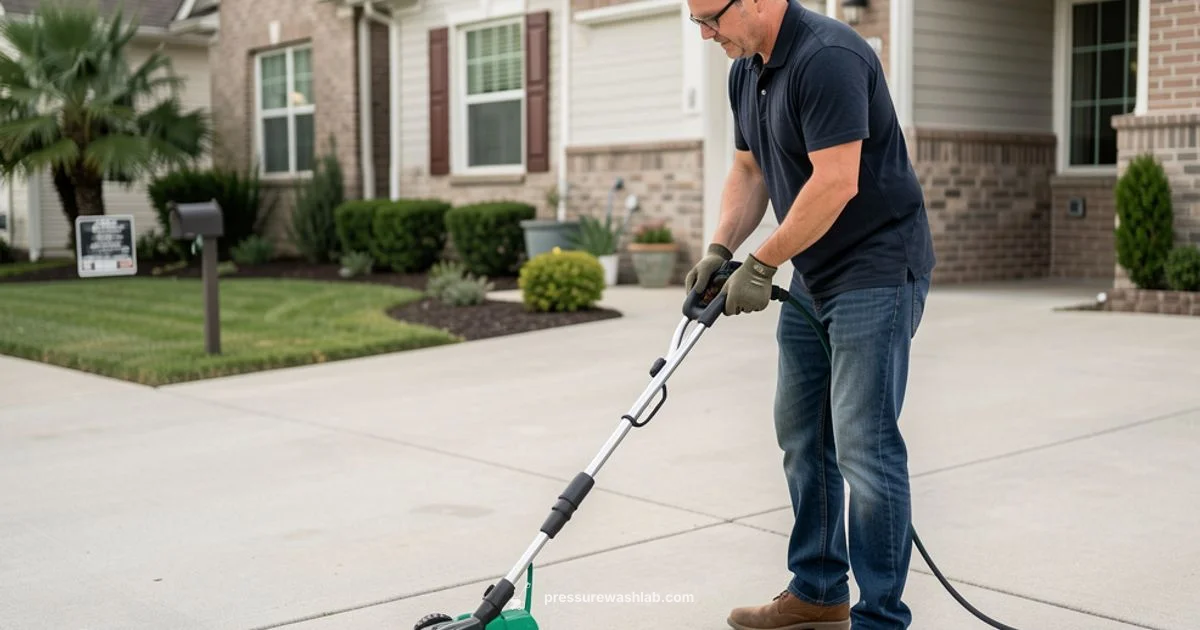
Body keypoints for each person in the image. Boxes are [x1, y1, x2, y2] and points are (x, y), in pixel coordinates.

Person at [682, 0, 936, 628]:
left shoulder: (829, 57)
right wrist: (721, 249)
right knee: (801, 433)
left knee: (864, 449)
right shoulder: (746, 68)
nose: (708, 36)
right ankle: (820, 591)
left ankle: (880, 618)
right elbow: (749, 168)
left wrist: (761, 264)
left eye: (711, 19)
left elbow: (835, 181)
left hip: (877, 269)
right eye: (698, 25)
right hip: (816, 271)